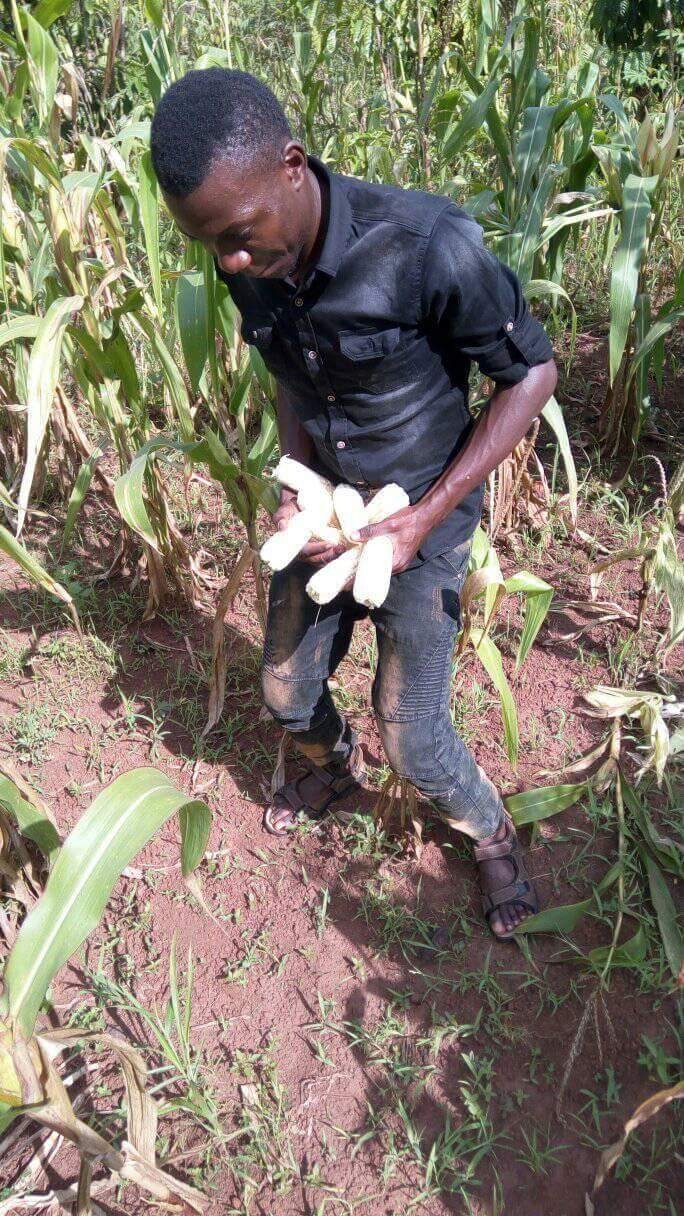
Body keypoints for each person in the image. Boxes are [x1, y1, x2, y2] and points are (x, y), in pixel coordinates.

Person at [150, 68, 558, 941]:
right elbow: (290, 369)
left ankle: (489, 831)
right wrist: (295, 483)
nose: (227, 263)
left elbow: (532, 373)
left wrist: (422, 518)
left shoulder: (426, 246)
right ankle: (334, 769)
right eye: (207, 244)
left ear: (292, 166)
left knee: (413, 735)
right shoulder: (251, 255)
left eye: (237, 237)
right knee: (285, 691)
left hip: (423, 517)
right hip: (328, 511)